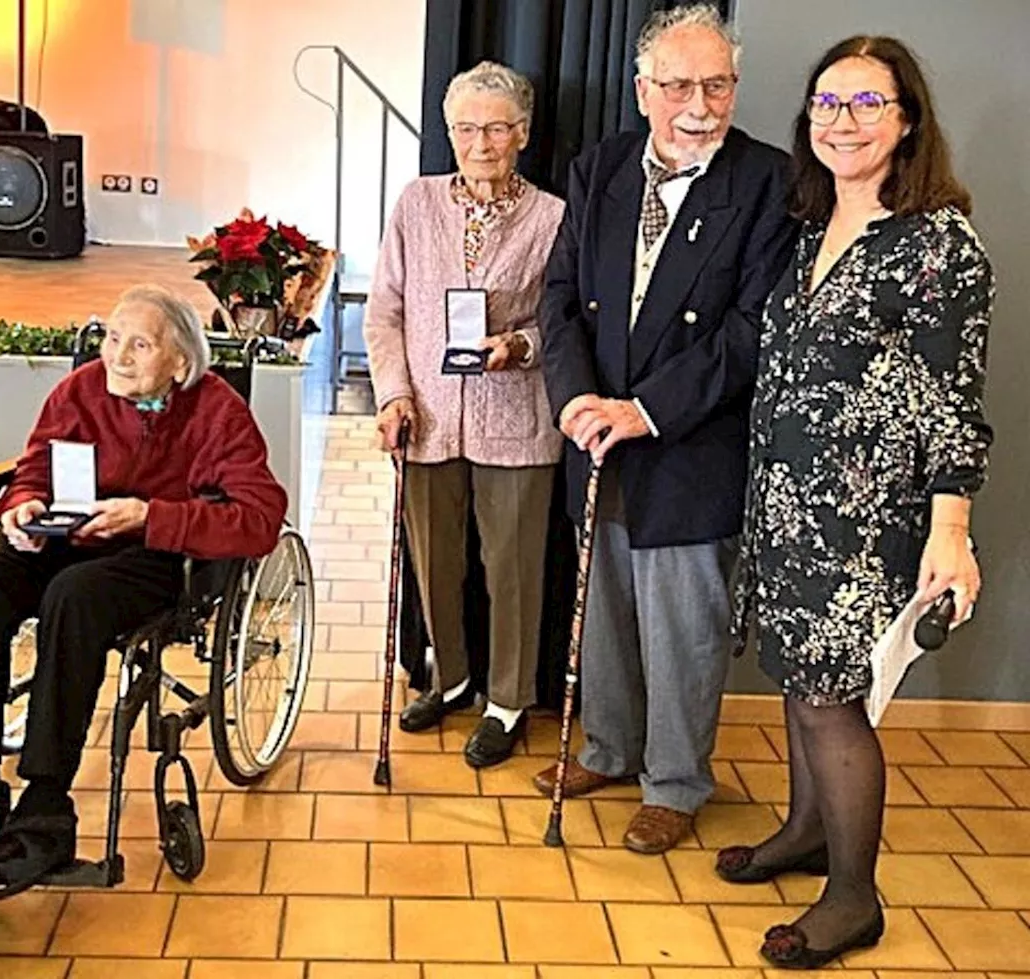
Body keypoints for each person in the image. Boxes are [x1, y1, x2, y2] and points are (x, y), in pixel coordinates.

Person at [719, 36, 993, 968]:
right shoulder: (807, 229)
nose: (843, 121)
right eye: (828, 104)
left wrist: (950, 531)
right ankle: (804, 830)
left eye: (867, 103)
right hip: (786, 504)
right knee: (800, 680)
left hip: (868, 522)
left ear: (907, 118)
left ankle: (852, 895)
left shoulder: (939, 247)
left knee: (835, 699)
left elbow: (955, 402)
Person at [0, 285, 287, 901]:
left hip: (153, 553)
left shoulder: (215, 409)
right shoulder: (80, 390)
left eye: (139, 344)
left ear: (179, 360)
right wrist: (24, 505)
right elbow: (34, 465)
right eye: (113, 338)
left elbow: (260, 516)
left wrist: (151, 516)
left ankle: (44, 809)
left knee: (75, 595)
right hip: (64, 538)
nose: (117, 355)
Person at [536, 3, 797, 854]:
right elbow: (560, 295)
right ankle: (610, 749)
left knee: (684, 625)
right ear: (643, 88)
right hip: (596, 437)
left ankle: (677, 782)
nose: (700, 104)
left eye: (717, 84)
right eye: (679, 84)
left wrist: (643, 410)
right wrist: (576, 399)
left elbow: (752, 328)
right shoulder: (601, 166)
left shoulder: (768, 180)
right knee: (605, 605)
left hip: (690, 444)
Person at [363, 61, 565, 768]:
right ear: (449, 133)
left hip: (518, 419)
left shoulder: (551, 216)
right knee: (436, 562)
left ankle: (507, 701)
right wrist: (394, 393)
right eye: (466, 128)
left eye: (497, 127)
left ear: (523, 133)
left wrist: (519, 344)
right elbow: (384, 311)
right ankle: (449, 679)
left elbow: (563, 321)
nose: (481, 142)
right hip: (426, 418)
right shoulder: (416, 204)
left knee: (511, 568)